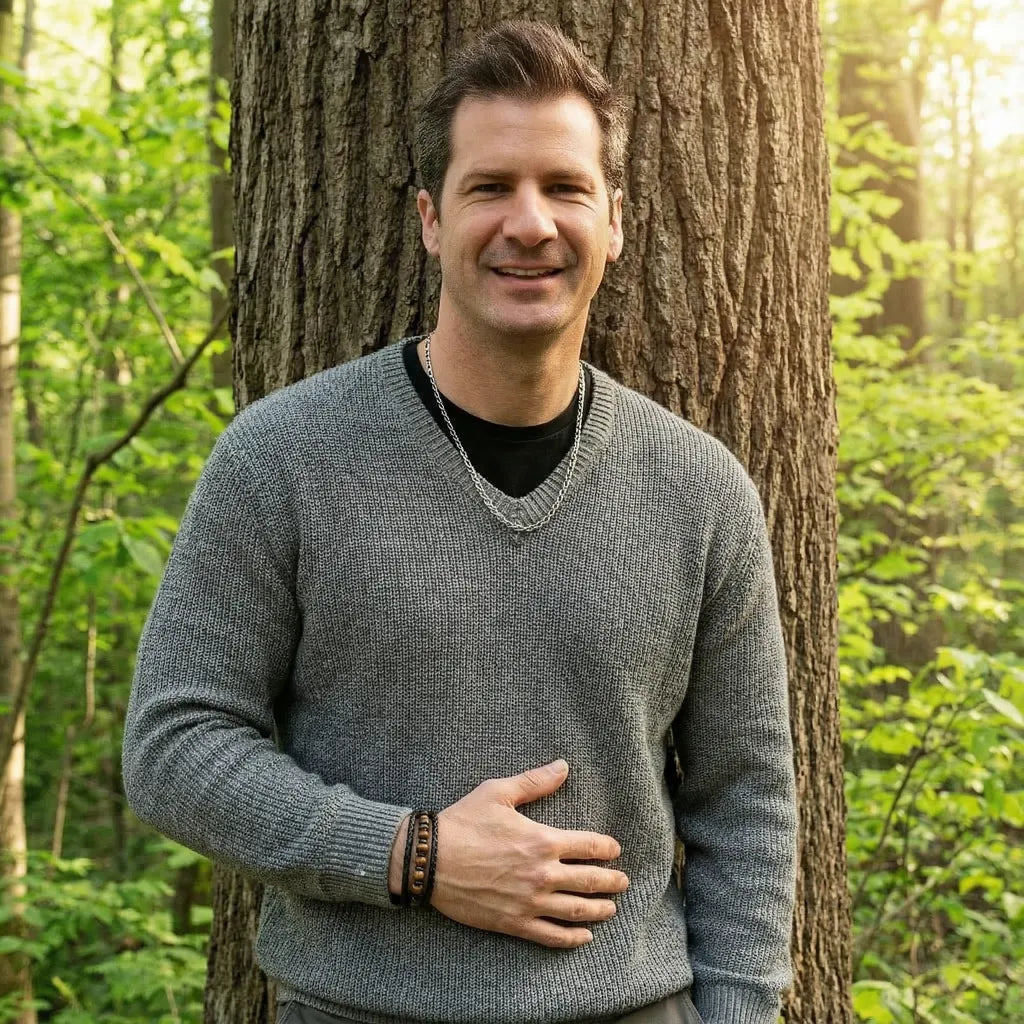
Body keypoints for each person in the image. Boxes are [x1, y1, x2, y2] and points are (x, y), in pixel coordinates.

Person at [122, 20, 797, 1024]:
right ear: (432, 220)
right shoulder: (281, 460)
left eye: (564, 187)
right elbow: (174, 747)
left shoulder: (700, 490)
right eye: (491, 187)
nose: (529, 222)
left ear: (614, 219)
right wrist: (414, 854)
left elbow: (747, 802)